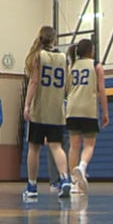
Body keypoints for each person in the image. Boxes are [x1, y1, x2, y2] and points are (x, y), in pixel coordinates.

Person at [22, 26, 72, 199]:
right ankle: (65, 179)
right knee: (56, 146)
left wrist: (27, 104)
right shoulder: (64, 58)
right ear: (54, 40)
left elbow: (34, 82)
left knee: (34, 148)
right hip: (57, 109)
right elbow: (67, 85)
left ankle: (32, 186)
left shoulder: (38, 56)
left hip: (39, 109)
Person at [65, 39, 108, 195]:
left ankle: (74, 182)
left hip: (72, 108)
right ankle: (82, 167)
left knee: (73, 146)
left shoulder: (71, 66)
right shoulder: (96, 66)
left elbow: (67, 89)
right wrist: (105, 112)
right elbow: (102, 90)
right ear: (91, 50)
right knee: (89, 145)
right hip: (88, 109)